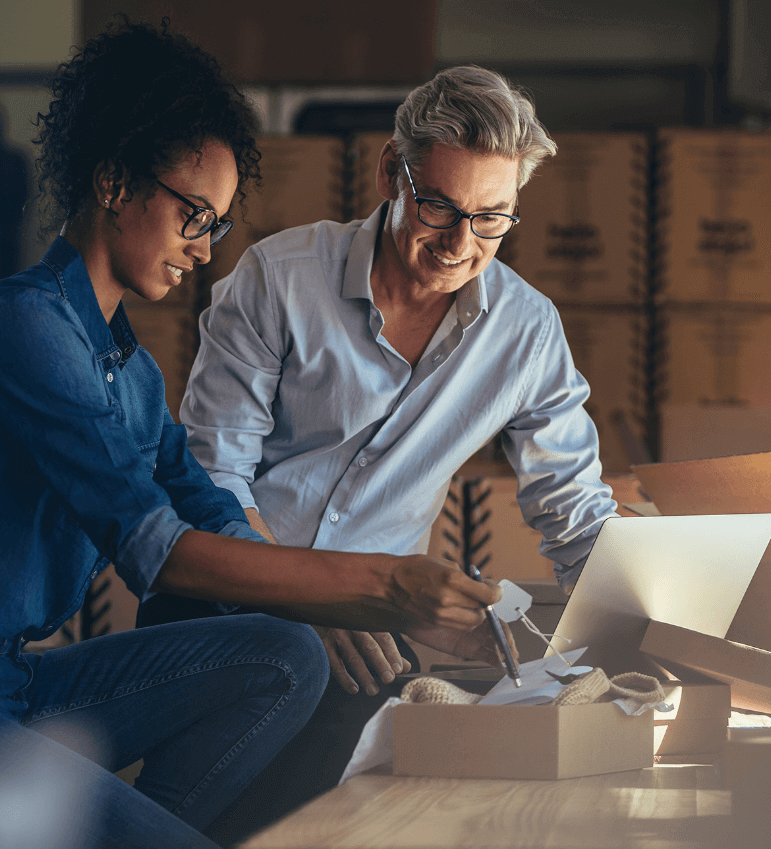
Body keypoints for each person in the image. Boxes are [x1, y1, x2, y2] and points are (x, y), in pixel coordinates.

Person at [0, 26, 507, 849]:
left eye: (216, 224)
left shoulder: (126, 369)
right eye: (194, 215)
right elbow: (159, 550)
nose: (204, 249)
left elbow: (208, 508)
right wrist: (383, 584)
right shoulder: (20, 327)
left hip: (7, 681)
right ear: (112, 182)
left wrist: (362, 606)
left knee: (287, 653)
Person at [143, 65, 619, 843]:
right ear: (389, 175)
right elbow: (211, 478)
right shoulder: (278, 278)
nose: (460, 244)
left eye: (492, 218)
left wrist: (651, 622)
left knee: (337, 819)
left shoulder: (526, 331)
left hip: (371, 626)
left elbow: (573, 513)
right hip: (228, 595)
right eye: (437, 206)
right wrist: (309, 595)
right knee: (198, 819)